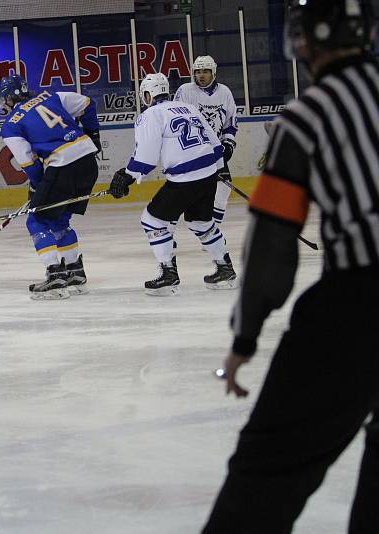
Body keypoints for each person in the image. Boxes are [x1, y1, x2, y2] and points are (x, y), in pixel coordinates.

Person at [203, 1, 379, 532]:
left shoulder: (309, 115)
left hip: (359, 305)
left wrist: (244, 337)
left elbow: (273, 245)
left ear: (305, 41)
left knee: (265, 478)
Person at [109, 72, 236, 295]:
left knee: (152, 220)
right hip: (208, 175)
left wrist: (127, 175)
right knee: (201, 222)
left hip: (185, 178)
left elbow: (146, 157)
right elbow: (215, 143)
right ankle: (225, 269)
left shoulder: (150, 115)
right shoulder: (189, 107)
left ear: (147, 95)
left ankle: (168, 274)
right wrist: (218, 169)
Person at [0, 74, 101, 300]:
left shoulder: (11, 124)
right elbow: (88, 104)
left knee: (37, 220)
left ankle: (55, 277)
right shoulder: (52, 96)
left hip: (62, 165)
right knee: (59, 219)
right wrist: (93, 135)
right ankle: (75, 272)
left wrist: (37, 187)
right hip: (88, 163)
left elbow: (28, 164)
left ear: (7, 99)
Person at [174, 55, 238, 226]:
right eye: (198, 72)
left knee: (223, 188)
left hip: (215, 150)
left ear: (214, 73)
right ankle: (168, 230)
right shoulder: (185, 91)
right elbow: (176, 121)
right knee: (182, 193)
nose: (201, 75)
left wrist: (228, 145)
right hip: (192, 150)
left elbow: (230, 124)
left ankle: (213, 230)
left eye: (206, 71)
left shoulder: (224, 92)